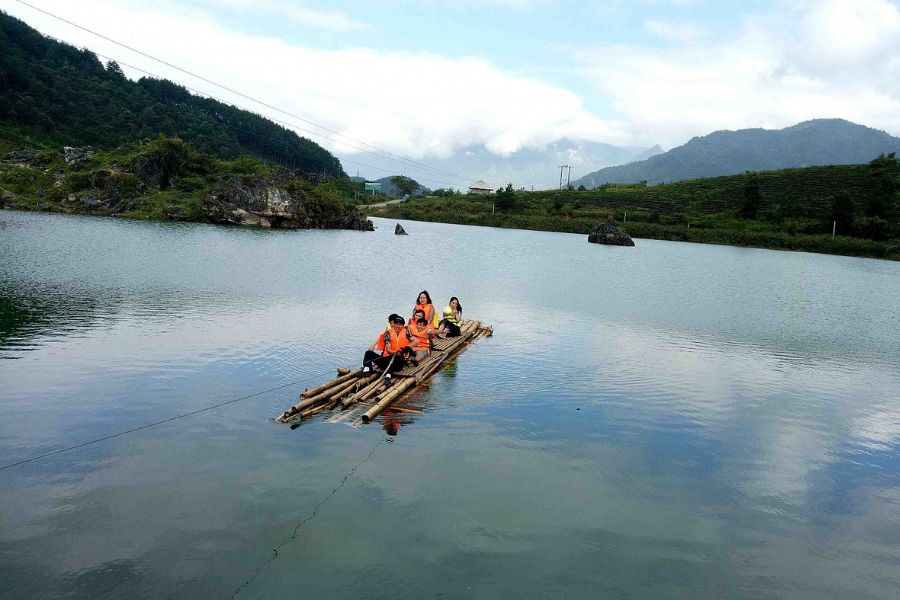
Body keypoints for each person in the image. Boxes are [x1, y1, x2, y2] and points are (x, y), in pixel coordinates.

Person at [362, 314, 414, 380]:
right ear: (392, 324)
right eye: (395, 324)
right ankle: (367, 369)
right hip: (386, 360)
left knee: (397, 357)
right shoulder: (388, 333)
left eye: (400, 324)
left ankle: (388, 375)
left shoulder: (406, 332)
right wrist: (397, 351)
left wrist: (406, 348)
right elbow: (389, 350)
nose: (397, 326)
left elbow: (416, 341)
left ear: (403, 325)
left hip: (397, 363)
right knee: (368, 353)